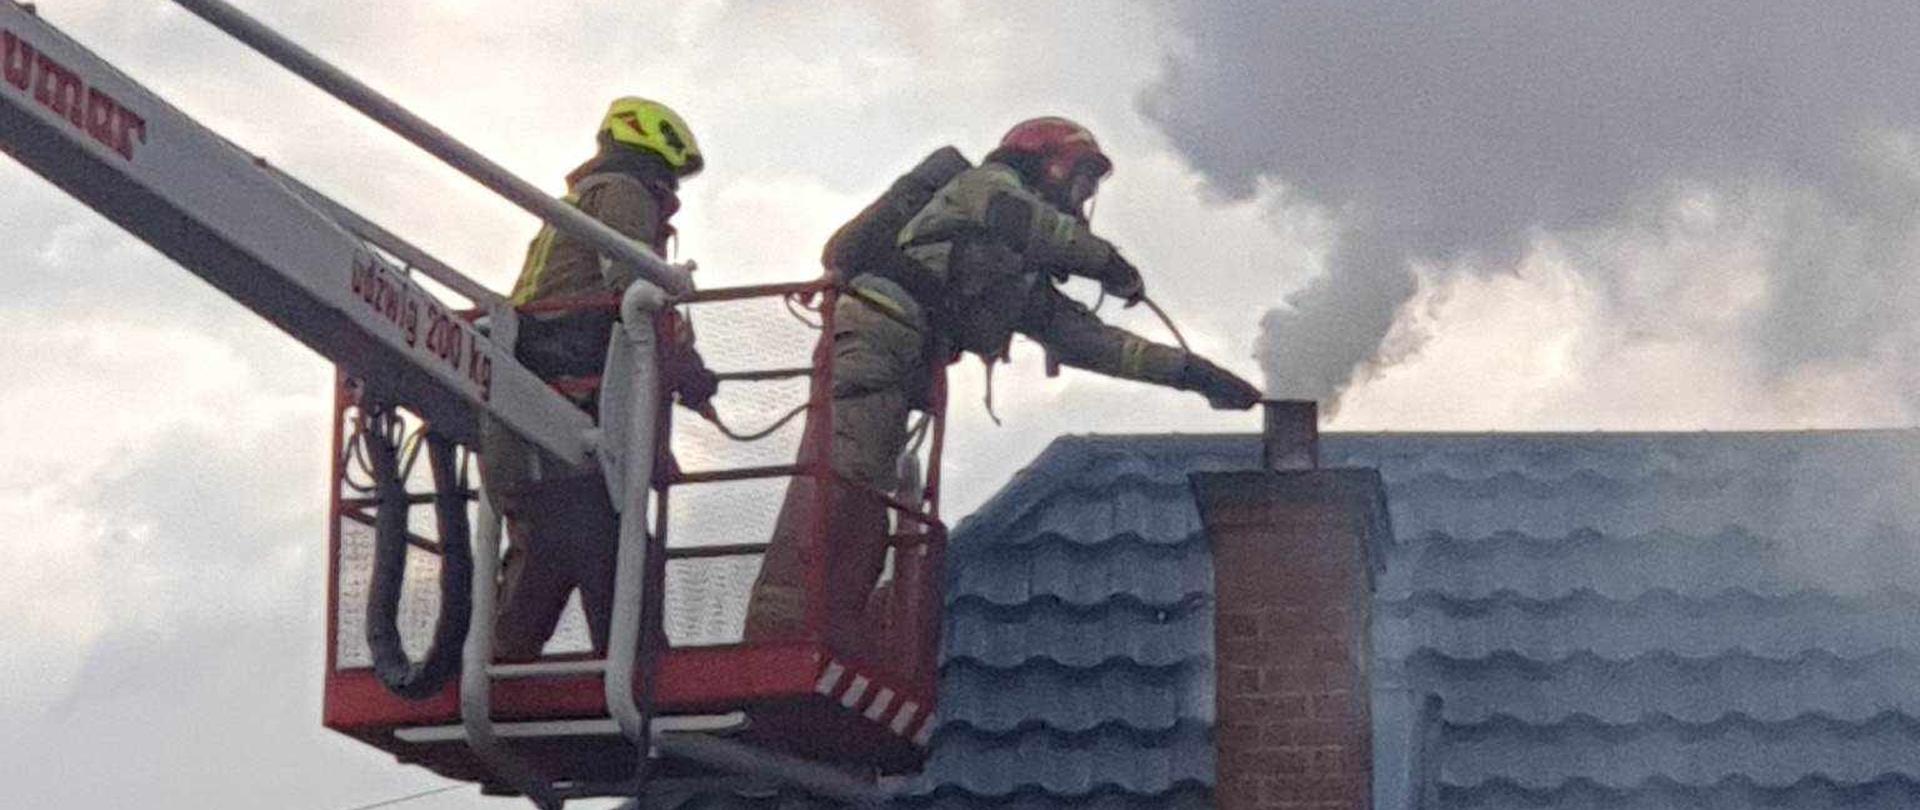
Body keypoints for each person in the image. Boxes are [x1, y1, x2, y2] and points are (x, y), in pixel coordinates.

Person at [743, 117, 1261, 651]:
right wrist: (1107, 262)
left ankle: (834, 629)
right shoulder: (985, 188)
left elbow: (1094, 342)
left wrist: (1192, 374)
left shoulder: (1018, 277)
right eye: (1083, 177)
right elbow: (1035, 226)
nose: (1086, 195)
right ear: (1049, 161)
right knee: (843, 479)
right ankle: (779, 634)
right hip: (878, 332)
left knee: (866, 494)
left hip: (901, 355)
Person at [481, 97, 717, 662]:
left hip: (545, 387)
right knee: (607, 542)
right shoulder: (624, 192)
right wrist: (693, 374)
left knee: (553, 542)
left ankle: (500, 666)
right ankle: (642, 677)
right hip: (575, 385)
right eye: (669, 179)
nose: (671, 195)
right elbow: (636, 292)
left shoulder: (586, 198)